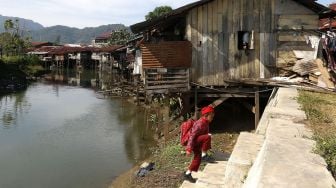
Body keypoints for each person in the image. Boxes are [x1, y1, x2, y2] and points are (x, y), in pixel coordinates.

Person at [183, 106, 215, 183]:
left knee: (197, 159)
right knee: (208, 137)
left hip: (197, 141)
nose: (212, 118)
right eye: (211, 116)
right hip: (193, 142)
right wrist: (188, 149)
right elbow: (192, 136)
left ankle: (187, 174)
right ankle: (204, 155)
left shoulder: (206, 122)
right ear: (206, 115)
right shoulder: (200, 123)